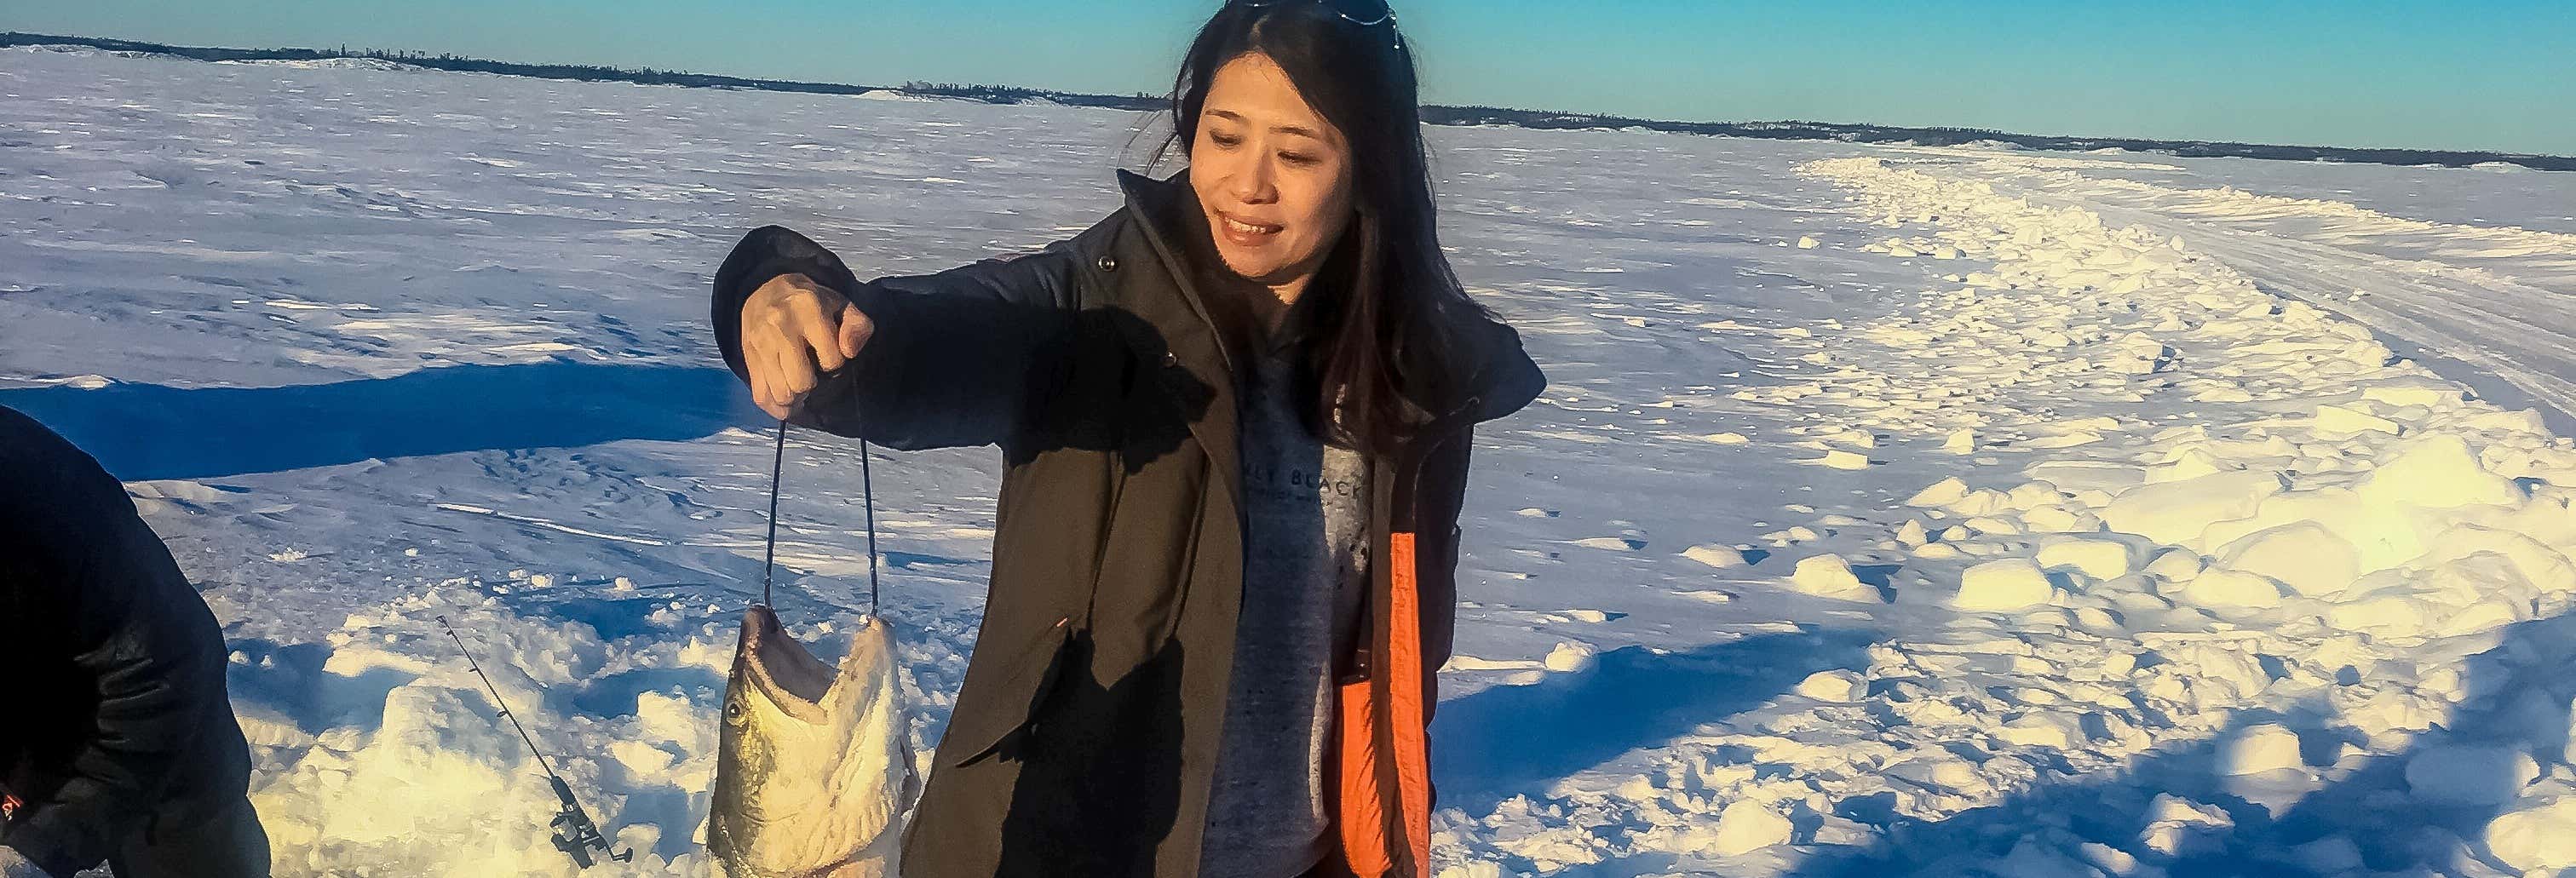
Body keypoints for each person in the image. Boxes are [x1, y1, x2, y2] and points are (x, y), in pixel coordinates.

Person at [710, 1, 1542, 875]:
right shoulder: (1093, 314)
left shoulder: (1414, 383)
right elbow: (918, 340)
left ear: (1369, 166)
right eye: (1223, 137)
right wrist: (776, 290)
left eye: (1295, 153)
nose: (1247, 184)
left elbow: (1398, 661)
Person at [0, 405, 271, 878]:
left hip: (154, 733)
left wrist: (41, 846)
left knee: (190, 847)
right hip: (27, 720)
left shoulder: (40, 499)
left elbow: (160, 672)